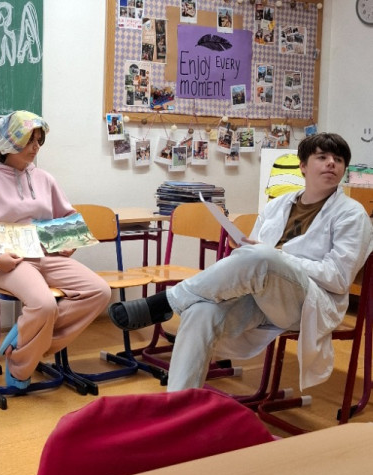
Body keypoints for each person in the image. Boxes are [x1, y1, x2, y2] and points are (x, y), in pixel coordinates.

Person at [109, 133, 373, 393]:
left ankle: (166, 302)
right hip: (263, 296)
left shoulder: (352, 214)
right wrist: (251, 252)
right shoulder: (278, 205)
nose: (331, 163)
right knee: (201, 312)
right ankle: (180, 402)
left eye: (338, 160)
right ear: (303, 166)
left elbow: (338, 278)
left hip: (309, 303)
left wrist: (275, 257)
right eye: (322, 157)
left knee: (264, 257)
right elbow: (255, 257)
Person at [0, 110, 111, 389]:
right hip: (10, 263)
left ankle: (25, 340)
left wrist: (68, 241)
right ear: (9, 142)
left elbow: (67, 216)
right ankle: (20, 368)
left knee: (100, 292)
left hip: (47, 256)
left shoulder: (44, 178)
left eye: (39, 140)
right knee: (44, 304)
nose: (36, 147)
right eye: (29, 140)